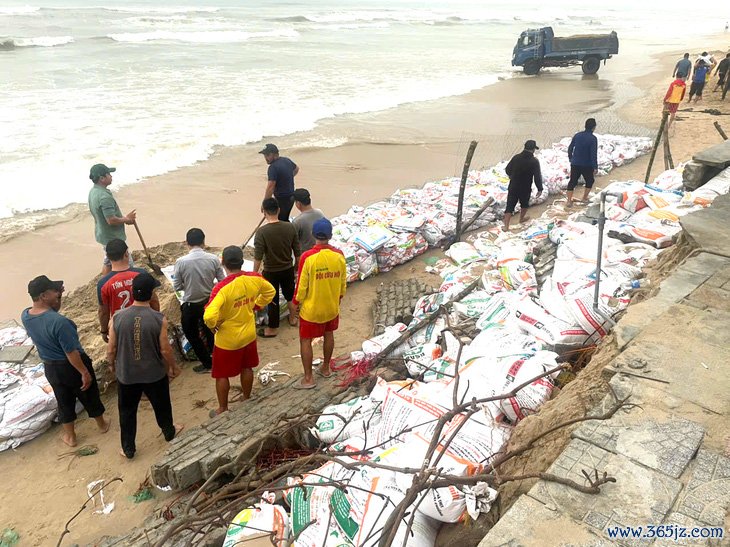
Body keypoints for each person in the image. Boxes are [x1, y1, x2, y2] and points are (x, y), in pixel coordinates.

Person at [21, 276, 109, 447]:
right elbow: (71, 352)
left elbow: (49, 312)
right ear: (43, 295)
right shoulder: (60, 323)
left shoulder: (25, 315)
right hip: (71, 365)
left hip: (51, 367)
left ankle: (70, 436)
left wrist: (57, 297)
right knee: (88, 394)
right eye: (54, 291)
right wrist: (83, 372)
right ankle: (102, 424)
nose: (57, 294)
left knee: (64, 400)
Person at [107, 273, 182, 459]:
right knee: (162, 405)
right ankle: (168, 432)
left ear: (132, 293)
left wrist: (112, 365)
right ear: (151, 295)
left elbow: (112, 348)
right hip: (154, 374)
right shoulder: (158, 319)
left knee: (127, 411)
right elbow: (165, 349)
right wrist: (172, 366)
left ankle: (128, 448)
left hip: (127, 375)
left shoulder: (117, 318)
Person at [204, 246, 275, 416]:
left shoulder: (222, 288)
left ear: (223, 263)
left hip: (228, 340)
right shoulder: (254, 278)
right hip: (248, 334)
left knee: (221, 374)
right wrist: (255, 305)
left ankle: (223, 408)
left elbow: (208, 316)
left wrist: (215, 324)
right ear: (242, 262)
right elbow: (270, 291)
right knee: (247, 367)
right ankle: (246, 396)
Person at [293, 218, 347, 389]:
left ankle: (308, 378)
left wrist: (296, 303)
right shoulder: (339, 255)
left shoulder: (307, 257)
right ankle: (325, 368)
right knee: (329, 334)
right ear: (330, 235)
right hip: (331, 306)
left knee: (306, 340)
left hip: (311, 309)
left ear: (313, 234)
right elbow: (342, 283)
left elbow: (302, 286)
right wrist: (338, 298)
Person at [173, 228, 226, 374]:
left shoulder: (181, 262)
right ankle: (218, 358)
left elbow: (177, 286)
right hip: (209, 301)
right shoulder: (213, 259)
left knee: (192, 334)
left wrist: (189, 284)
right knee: (211, 330)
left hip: (191, 304)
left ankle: (207, 363)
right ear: (203, 241)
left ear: (187, 243)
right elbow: (222, 280)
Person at [254, 198, 301, 337]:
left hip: (270, 271)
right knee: (290, 295)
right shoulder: (289, 227)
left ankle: (273, 328)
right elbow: (297, 252)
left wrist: (254, 274)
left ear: (264, 211)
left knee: (272, 300)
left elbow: (258, 256)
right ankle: (293, 319)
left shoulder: (262, 232)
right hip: (287, 268)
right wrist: (296, 268)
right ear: (279, 210)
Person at [97, 239, 160, 343]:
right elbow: (154, 300)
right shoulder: (141, 274)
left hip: (120, 326)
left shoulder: (103, 283)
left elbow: (103, 312)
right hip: (144, 322)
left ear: (107, 257)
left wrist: (104, 331)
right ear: (126, 253)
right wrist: (156, 319)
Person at [87, 164, 136, 275]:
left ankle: (104, 280)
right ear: (102, 178)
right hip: (112, 237)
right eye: (108, 174)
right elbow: (111, 220)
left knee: (108, 261)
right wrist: (127, 219)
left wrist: (125, 218)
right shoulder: (104, 197)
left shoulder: (93, 192)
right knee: (128, 264)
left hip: (103, 234)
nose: (111, 176)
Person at [502, 140, 543, 231]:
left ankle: (506, 226)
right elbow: (537, 176)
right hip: (525, 187)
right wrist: (540, 189)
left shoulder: (516, 157)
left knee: (510, 206)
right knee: (524, 204)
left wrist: (512, 176)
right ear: (533, 149)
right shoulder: (534, 161)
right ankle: (521, 219)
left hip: (513, 185)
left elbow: (508, 169)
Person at [259, 143, 299, 222]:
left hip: (282, 200)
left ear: (275, 154)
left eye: (267, 155)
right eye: (264, 155)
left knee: (279, 221)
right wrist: (286, 178)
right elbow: (296, 169)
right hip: (291, 197)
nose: (266, 158)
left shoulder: (272, 168)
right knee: (284, 219)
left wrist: (265, 204)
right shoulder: (286, 160)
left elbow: (270, 187)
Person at [566, 118, 599, 206]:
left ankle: (569, 201)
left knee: (572, 181)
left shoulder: (577, 135)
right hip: (587, 165)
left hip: (575, 163)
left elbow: (570, 148)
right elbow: (593, 154)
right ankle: (584, 198)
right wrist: (595, 167)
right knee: (590, 180)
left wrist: (570, 158)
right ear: (594, 127)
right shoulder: (593, 139)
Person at [292, 188, 325, 252]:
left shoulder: (297, 221)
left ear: (298, 204)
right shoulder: (320, 212)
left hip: (306, 253)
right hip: (320, 250)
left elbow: (293, 242)